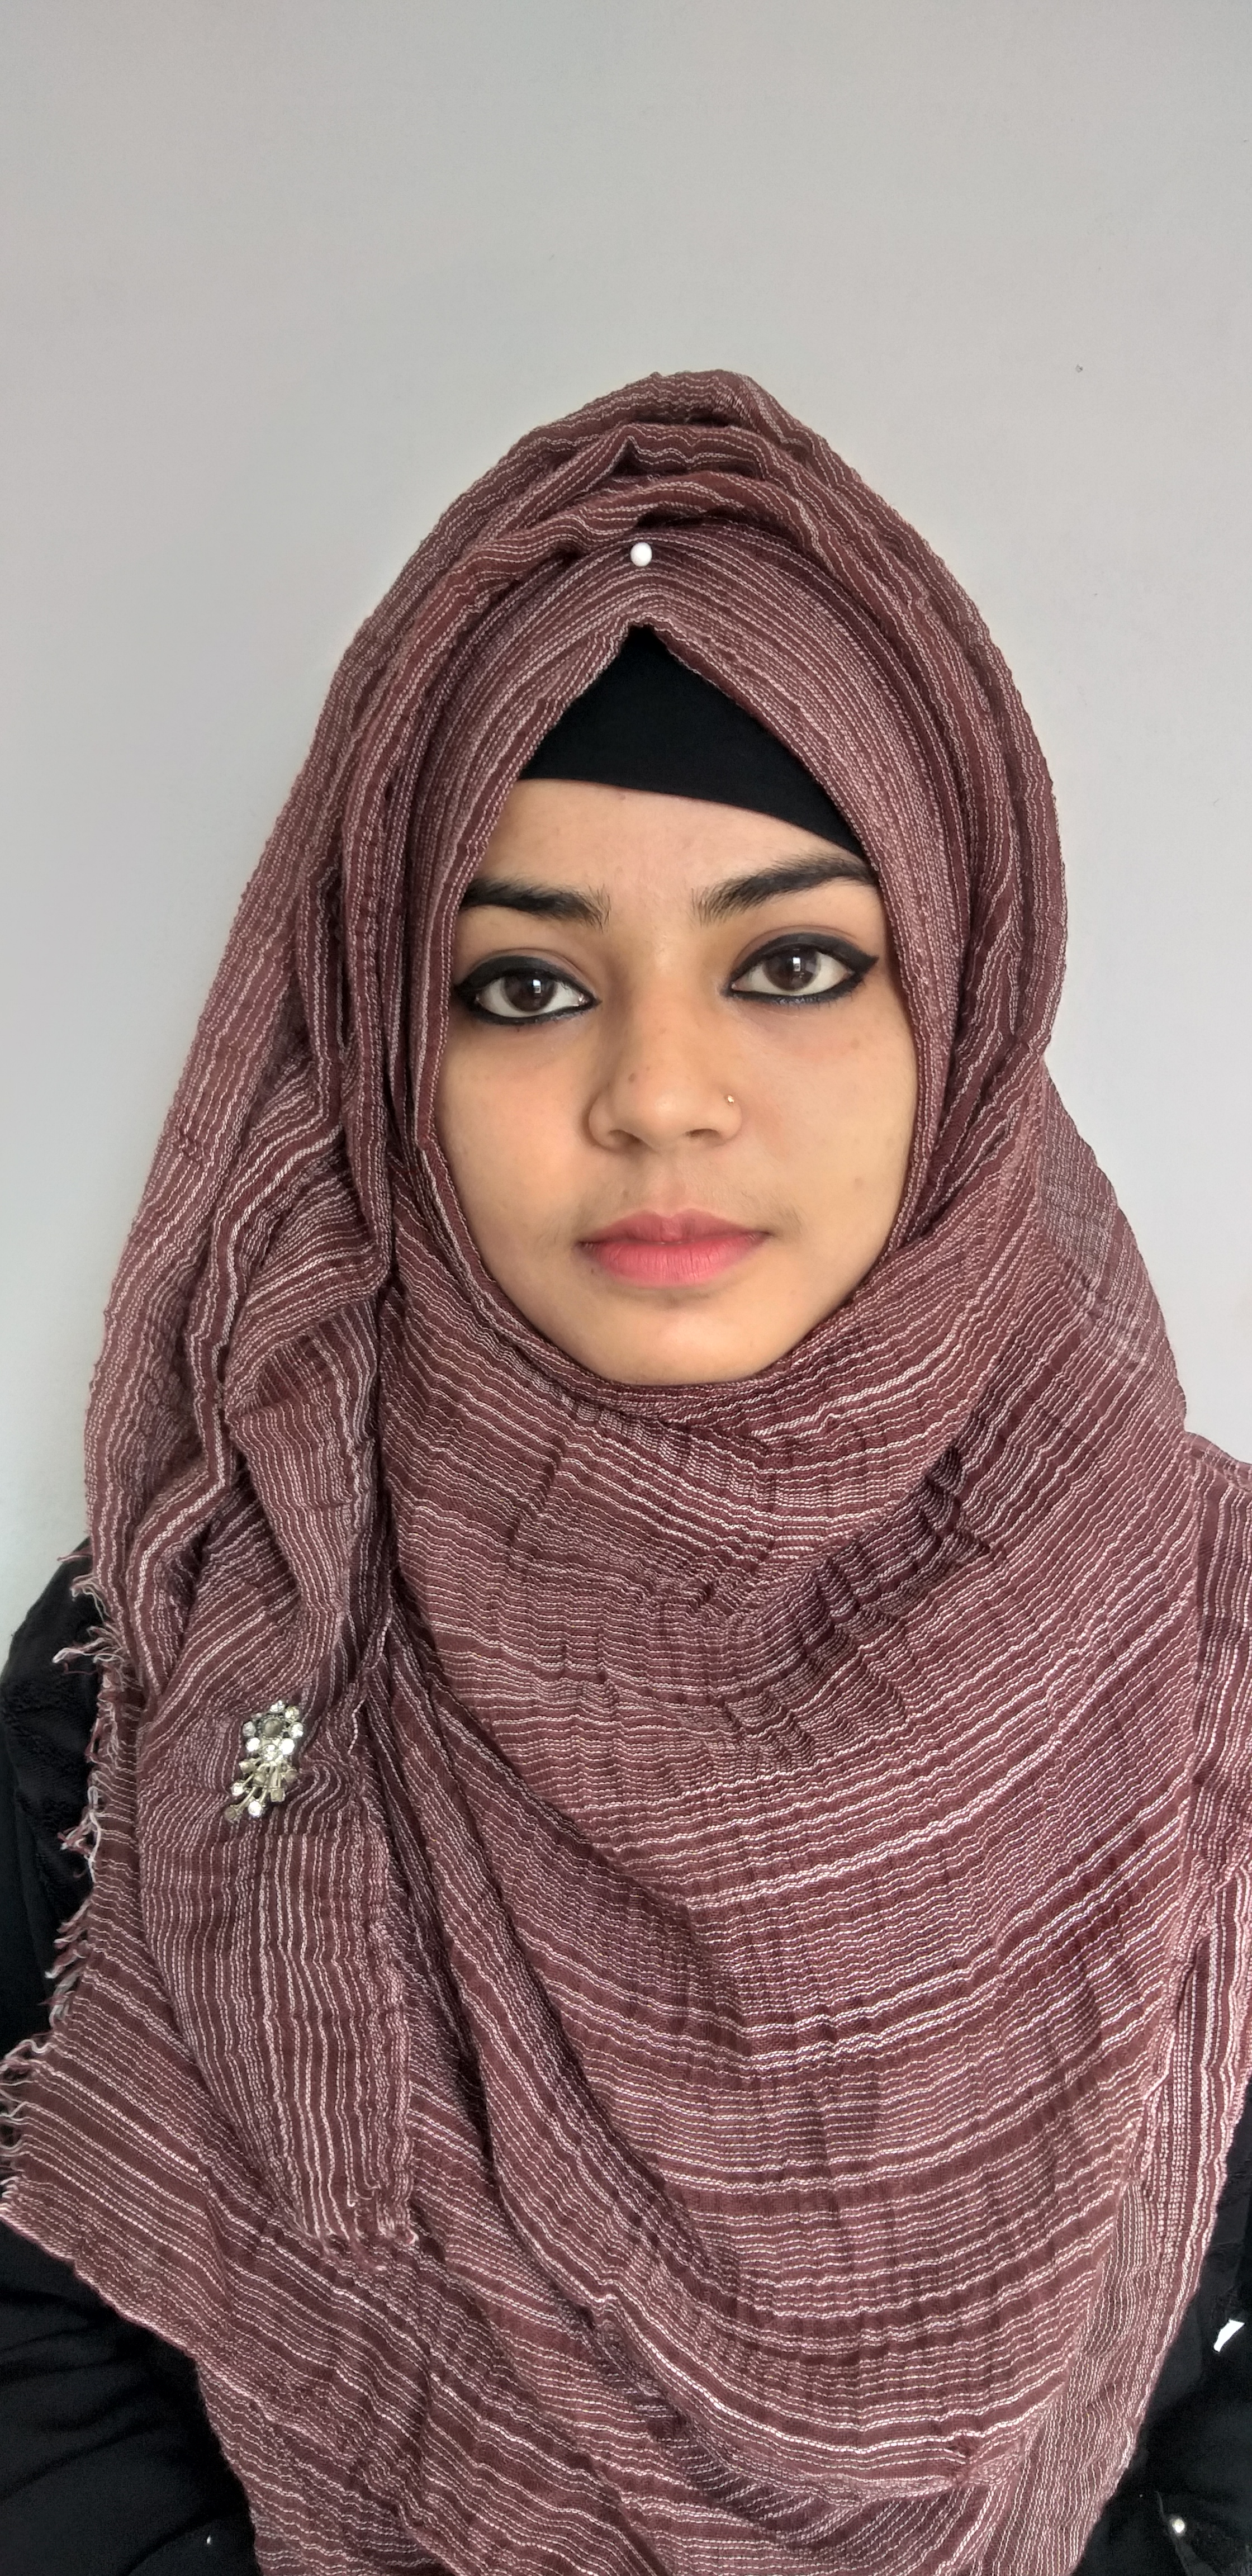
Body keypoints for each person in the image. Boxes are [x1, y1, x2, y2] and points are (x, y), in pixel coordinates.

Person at [1, 371, 1250, 2576]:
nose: (658, 1094)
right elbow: (43, 2383)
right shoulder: (205, 1622)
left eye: (790, 962)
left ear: (961, 1014)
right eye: (521, 985)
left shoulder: (1209, 1640)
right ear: (381, 1044)